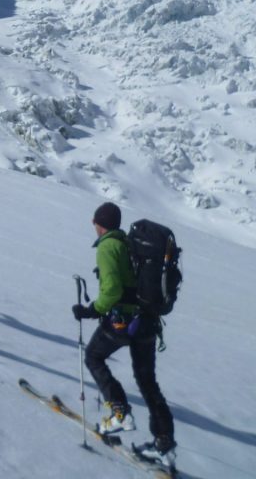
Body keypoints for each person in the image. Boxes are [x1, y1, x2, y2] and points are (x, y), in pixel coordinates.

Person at [72, 202, 176, 471]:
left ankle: (120, 414)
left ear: (99, 224)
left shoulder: (108, 247)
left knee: (94, 356)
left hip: (123, 321)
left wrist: (89, 310)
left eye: (94, 221)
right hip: (147, 321)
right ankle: (164, 446)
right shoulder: (129, 243)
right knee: (148, 383)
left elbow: (113, 291)